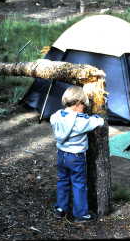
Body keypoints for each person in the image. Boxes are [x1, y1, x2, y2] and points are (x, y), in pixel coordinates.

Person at [50, 86, 104, 223]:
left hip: (61, 155)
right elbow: (98, 122)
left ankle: (60, 209)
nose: (85, 108)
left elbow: (51, 119)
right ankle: (81, 214)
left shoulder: (57, 115)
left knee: (63, 181)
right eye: (84, 105)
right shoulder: (80, 121)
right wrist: (98, 116)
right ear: (78, 103)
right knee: (79, 184)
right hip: (76, 157)